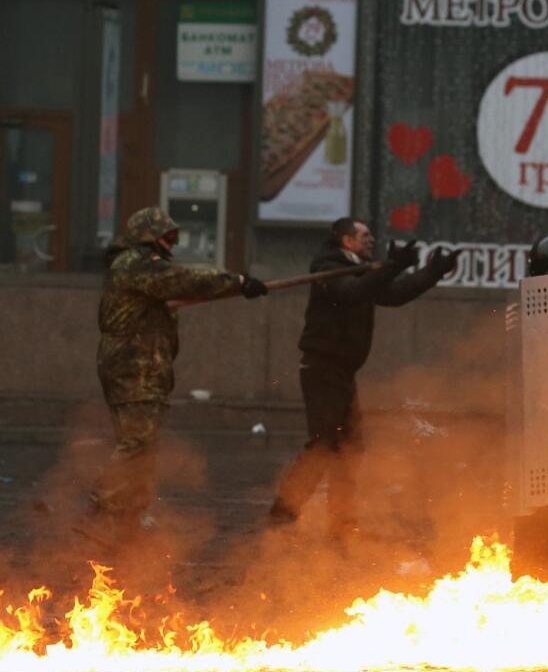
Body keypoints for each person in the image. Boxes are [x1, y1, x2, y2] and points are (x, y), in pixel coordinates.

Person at [268, 218, 459, 534]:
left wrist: (432, 272)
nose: (371, 240)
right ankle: (283, 512)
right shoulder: (328, 269)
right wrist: (390, 267)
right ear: (347, 241)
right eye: (364, 235)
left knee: (350, 447)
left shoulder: (364, 270)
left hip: (343, 372)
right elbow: (352, 292)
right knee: (325, 443)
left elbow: (393, 294)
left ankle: (341, 522)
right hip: (322, 369)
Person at [91, 206, 268, 521]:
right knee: (138, 442)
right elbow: (183, 280)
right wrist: (237, 281)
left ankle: (127, 516)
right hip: (135, 365)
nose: (172, 243)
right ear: (149, 238)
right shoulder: (137, 264)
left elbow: (174, 288)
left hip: (137, 364)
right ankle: (103, 510)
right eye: (167, 236)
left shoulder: (138, 270)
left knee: (142, 445)